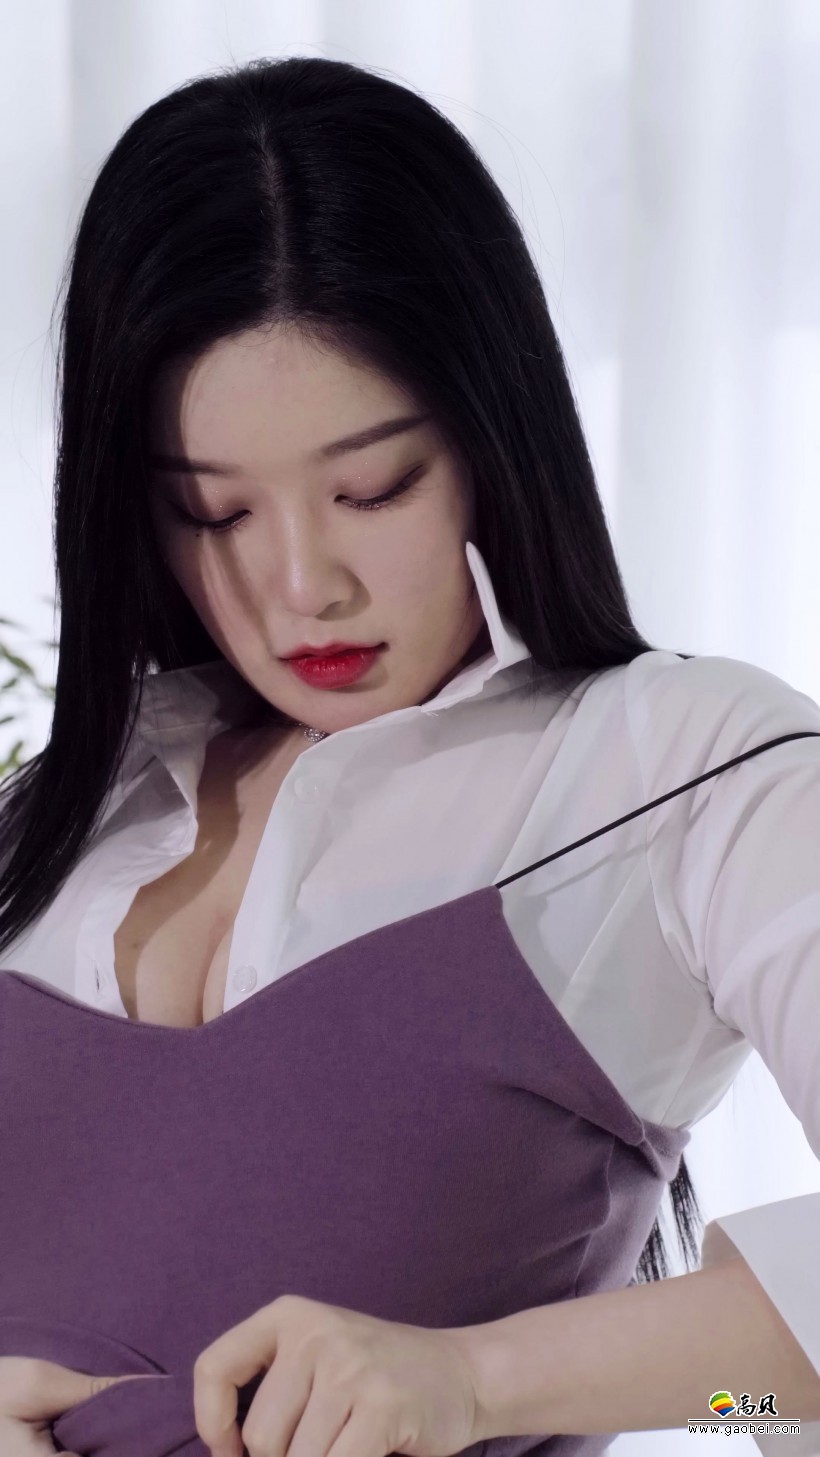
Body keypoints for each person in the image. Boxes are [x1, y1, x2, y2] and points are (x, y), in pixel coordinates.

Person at [0, 54, 818, 1457]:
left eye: (372, 488)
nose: (300, 586)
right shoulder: (54, 822)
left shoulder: (691, 777)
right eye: (214, 513)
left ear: (496, 436)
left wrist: (481, 1382)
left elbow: (774, 1394)